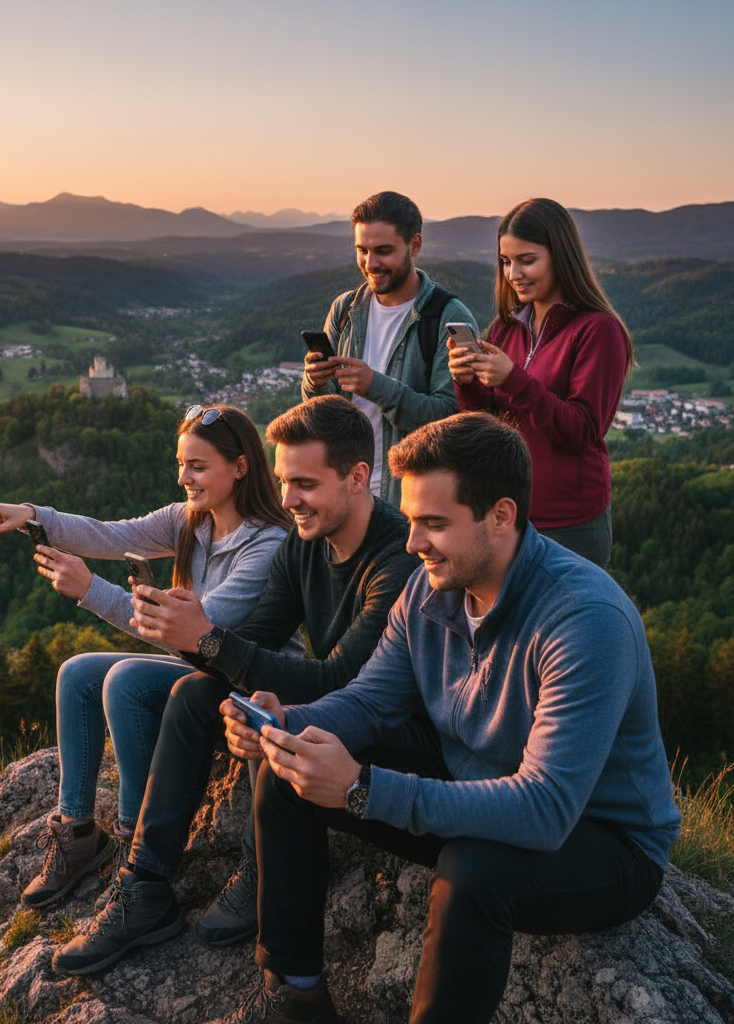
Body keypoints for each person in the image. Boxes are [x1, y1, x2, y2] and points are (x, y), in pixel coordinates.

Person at [213, 411, 680, 1024]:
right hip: (472, 786)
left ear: (502, 516)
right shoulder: (430, 589)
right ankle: (294, 991)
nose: (412, 544)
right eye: (410, 522)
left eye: (434, 524)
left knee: (474, 871)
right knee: (291, 769)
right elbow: (371, 701)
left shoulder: (584, 620)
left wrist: (360, 790)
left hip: (599, 839)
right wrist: (287, 723)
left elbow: (544, 810)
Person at [49, 395, 422, 975]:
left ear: (357, 477)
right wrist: (196, 638)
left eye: (303, 483)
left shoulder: (396, 560)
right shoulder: (305, 544)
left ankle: (262, 869)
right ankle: (145, 884)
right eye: (282, 481)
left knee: (256, 703)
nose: (287, 500)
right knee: (194, 694)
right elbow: (259, 638)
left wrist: (210, 639)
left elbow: (345, 682)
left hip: (388, 727)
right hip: (330, 706)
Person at [0, 403, 295, 908]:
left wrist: (88, 589)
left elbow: (181, 635)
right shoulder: (191, 522)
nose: (183, 477)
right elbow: (111, 535)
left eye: (198, 467)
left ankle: (133, 843)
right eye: (181, 464)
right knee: (78, 672)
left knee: (126, 678)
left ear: (241, 466)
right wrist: (32, 516)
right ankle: (76, 833)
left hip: (245, 690)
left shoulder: (265, 546)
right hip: (199, 672)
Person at [449, 197, 634, 568]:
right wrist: (467, 381)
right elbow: (486, 427)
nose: (513, 273)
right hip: (508, 514)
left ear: (561, 256)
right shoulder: (506, 328)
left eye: (526, 260)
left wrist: (514, 380)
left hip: (569, 524)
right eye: (505, 261)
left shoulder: (597, 330)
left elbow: (582, 430)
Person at [302, 190, 478, 505]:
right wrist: (314, 382)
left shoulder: (447, 317)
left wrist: (377, 387)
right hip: (345, 493)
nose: (371, 263)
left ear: (415, 245)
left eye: (383, 250)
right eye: (362, 250)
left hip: (407, 503)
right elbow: (323, 412)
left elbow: (453, 421)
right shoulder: (346, 309)